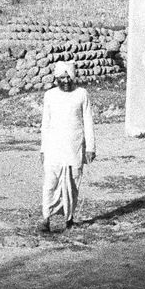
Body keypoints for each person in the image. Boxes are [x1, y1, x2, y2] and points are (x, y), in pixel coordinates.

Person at [39, 62, 95, 233]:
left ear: (73, 77)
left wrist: (90, 147)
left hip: (74, 147)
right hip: (54, 148)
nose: (65, 81)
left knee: (73, 183)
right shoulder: (50, 96)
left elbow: (88, 121)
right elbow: (45, 124)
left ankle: (69, 219)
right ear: (56, 78)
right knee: (50, 183)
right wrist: (43, 149)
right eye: (61, 78)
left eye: (68, 77)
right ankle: (45, 219)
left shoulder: (81, 94)